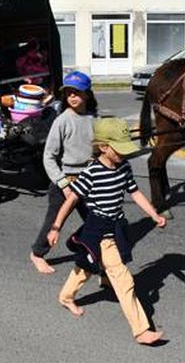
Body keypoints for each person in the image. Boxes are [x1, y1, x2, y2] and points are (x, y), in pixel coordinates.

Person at [47, 117, 167, 346]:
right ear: (103, 147)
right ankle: (141, 330)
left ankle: (66, 296)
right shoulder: (91, 173)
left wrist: (154, 215)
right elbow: (71, 200)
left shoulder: (124, 167)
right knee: (123, 278)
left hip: (116, 225)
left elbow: (135, 192)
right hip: (98, 229)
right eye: (119, 148)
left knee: (86, 268)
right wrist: (55, 228)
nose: (124, 153)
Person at [30, 71, 97, 274]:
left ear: (87, 94)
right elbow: (49, 157)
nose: (72, 96)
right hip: (65, 182)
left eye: (77, 92)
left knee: (97, 220)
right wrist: (63, 183)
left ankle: (78, 242)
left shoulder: (94, 119)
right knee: (53, 221)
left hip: (88, 181)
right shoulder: (62, 120)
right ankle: (37, 254)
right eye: (68, 93)